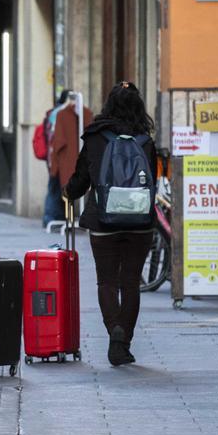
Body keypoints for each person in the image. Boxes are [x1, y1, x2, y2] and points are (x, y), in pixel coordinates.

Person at [64, 82, 155, 367]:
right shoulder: (145, 139)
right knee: (130, 282)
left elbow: (81, 177)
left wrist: (68, 192)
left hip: (104, 219)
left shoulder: (94, 137)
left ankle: (114, 330)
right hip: (140, 221)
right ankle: (122, 341)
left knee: (106, 280)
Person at [43, 91, 93, 227]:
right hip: (71, 162)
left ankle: (57, 218)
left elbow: (57, 142)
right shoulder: (60, 114)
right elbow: (57, 142)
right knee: (60, 193)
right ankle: (55, 218)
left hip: (71, 163)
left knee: (60, 192)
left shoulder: (85, 114)